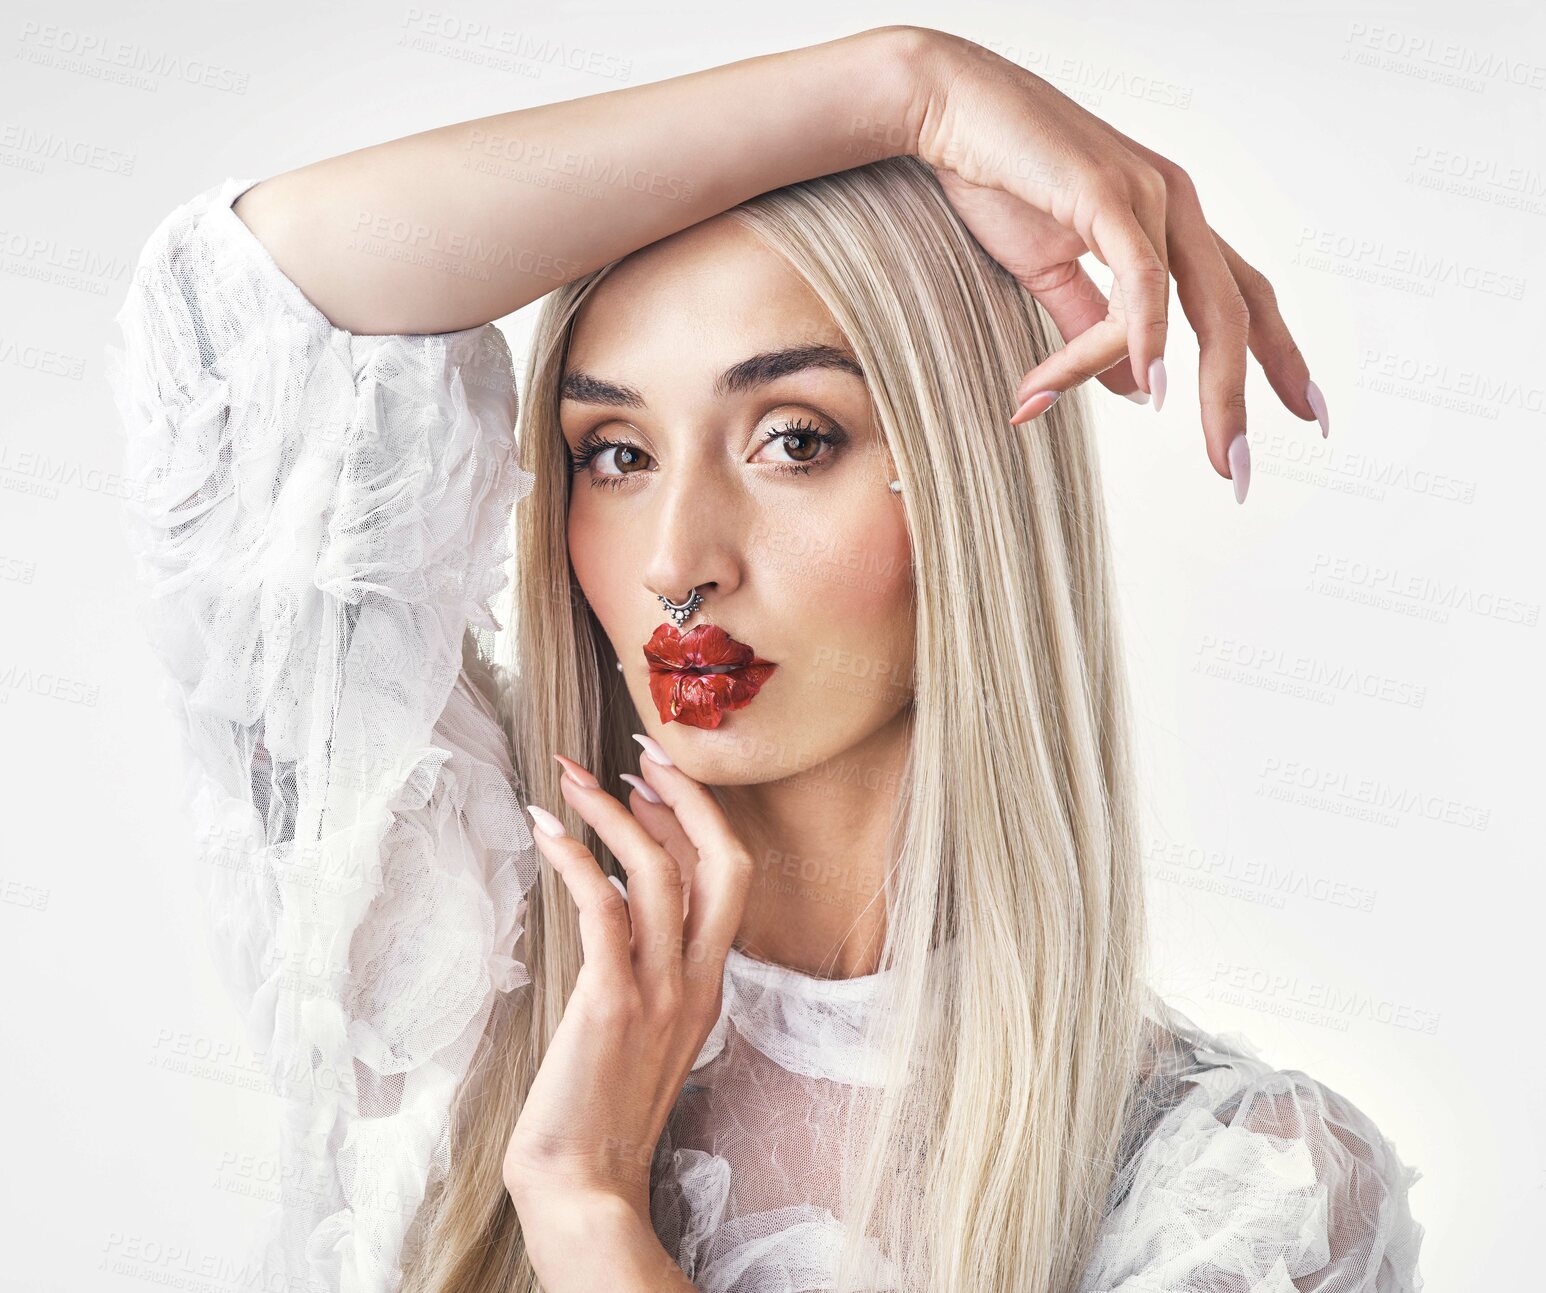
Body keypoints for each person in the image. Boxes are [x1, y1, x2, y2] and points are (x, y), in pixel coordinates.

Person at [105, 24, 1422, 1293]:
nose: (678, 557)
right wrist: (904, 86)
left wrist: (586, 1212)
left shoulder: (1235, 1190)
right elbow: (241, 312)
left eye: (793, 437)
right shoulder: (457, 942)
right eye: (614, 453)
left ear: (970, 481)